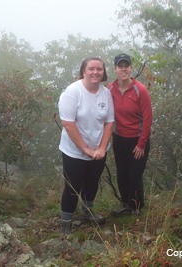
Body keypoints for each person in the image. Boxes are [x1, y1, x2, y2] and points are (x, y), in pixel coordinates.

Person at [58, 56, 114, 236]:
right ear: (84, 71)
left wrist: (101, 149)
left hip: (98, 151)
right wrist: (85, 150)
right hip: (74, 152)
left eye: (99, 69)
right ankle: (66, 222)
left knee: (92, 183)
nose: (96, 72)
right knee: (72, 187)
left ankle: (86, 212)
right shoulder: (73, 92)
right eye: (91, 69)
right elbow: (68, 123)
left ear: (104, 72)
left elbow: (109, 123)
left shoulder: (106, 93)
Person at [108, 53, 152, 216]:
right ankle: (126, 204)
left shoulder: (140, 90)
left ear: (131, 69)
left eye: (126, 66)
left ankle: (137, 207)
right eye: (120, 66)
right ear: (115, 69)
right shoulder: (110, 89)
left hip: (137, 139)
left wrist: (141, 144)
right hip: (119, 138)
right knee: (122, 174)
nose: (123, 69)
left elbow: (147, 120)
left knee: (134, 175)